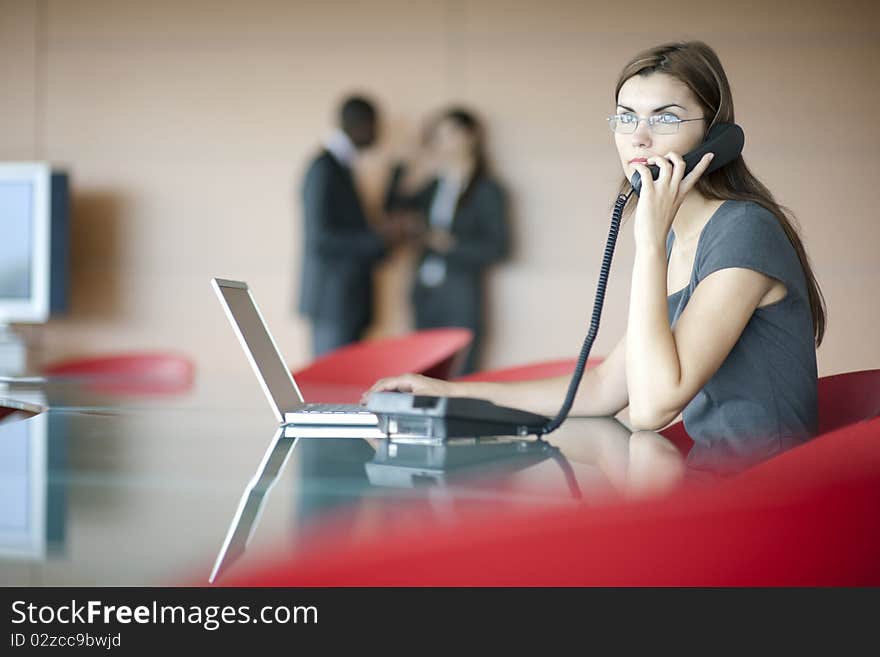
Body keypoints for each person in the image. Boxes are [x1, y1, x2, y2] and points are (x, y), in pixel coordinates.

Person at [366, 41, 826, 493]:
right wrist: (446, 393)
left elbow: (651, 408)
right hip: (707, 492)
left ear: (714, 135)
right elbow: (607, 386)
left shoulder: (745, 229)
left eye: (665, 118)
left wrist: (648, 244)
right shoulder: (677, 234)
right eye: (626, 117)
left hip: (764, 501)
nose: (638, 137)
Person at [384, 108, 509, 374]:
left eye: (449, 133)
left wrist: (450, 245)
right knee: (422, 376)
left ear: (471, 136)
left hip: (461, 297)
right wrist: (402, 164)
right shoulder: (434, 186)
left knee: (461, 378)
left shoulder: (488, 190)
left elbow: (499, 248)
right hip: (424, 294)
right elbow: (394, 209)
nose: (442, 141)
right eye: (438, 135)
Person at [298, 95, 401, 357]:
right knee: (329, 389)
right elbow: (320, 239)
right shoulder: (324, 168)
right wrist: (380, 238)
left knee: (343, 387)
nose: (380, 134)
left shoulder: (343, 167)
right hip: (334, 301)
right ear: (362, 124)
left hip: (347, 300)